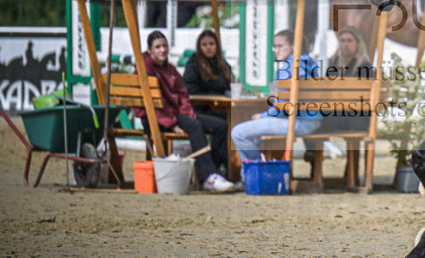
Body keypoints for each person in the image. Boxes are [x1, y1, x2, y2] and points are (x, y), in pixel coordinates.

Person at [135, 31, 233, 192]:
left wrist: (187, 114)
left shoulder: (170, 69)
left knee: (221, 125)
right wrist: (173, 124)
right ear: (149, 50)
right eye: (158, 47)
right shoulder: (145, 70)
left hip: (176, 115)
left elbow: (183, 95)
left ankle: (216, 171)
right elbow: (152, 105)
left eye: (164, 46)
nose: (162, 50)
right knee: (195, 125)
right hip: (156, 119)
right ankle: (207, 177)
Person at [229, 29, 322, 162]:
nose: (276, 50)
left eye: (280, 46)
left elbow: (280, 108)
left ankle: (257, 170)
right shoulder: (311, 64)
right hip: (313, 121)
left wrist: (262, 116)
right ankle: (262, 167)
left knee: (238, 133)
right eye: (275, 46)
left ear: (294, 46)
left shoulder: (288, 70)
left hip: (297, 123)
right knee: (254, 135)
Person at [182, 29, 235, 117]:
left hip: (222, 106)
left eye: (211, 44)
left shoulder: (223, 65)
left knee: (240, 113)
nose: (208, 47)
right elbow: (190, 91)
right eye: (204, 44)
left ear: (217, 46)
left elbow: (232, 86)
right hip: (201, 109)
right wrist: (215, 96)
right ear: (199, 47)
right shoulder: (194, 65)